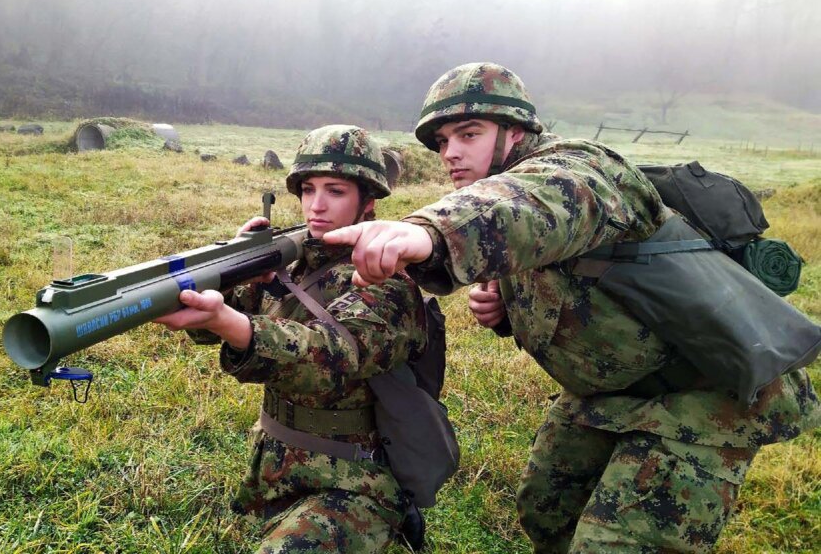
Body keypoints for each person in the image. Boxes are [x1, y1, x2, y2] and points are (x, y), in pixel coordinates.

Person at [324, 62, 820, 553]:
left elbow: (534, 205)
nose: (450, 153)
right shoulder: (500, 186)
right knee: (546, 510)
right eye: (441, 143)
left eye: (467, 134)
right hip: (609, 390)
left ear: (515, 133)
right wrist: (507, 310)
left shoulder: (577, 167)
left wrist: (430, 232)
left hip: (702, 392)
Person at [152, 124, 426, 553]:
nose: (316, 205)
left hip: (352, 483)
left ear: (367, 203)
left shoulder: (387, 280)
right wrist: (228, 273)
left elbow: (335, 356)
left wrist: (229, 323)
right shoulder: (291, 265)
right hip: (276, 467)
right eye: (308, 189)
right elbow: (219, 318)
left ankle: (390, 522)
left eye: (335, 191)